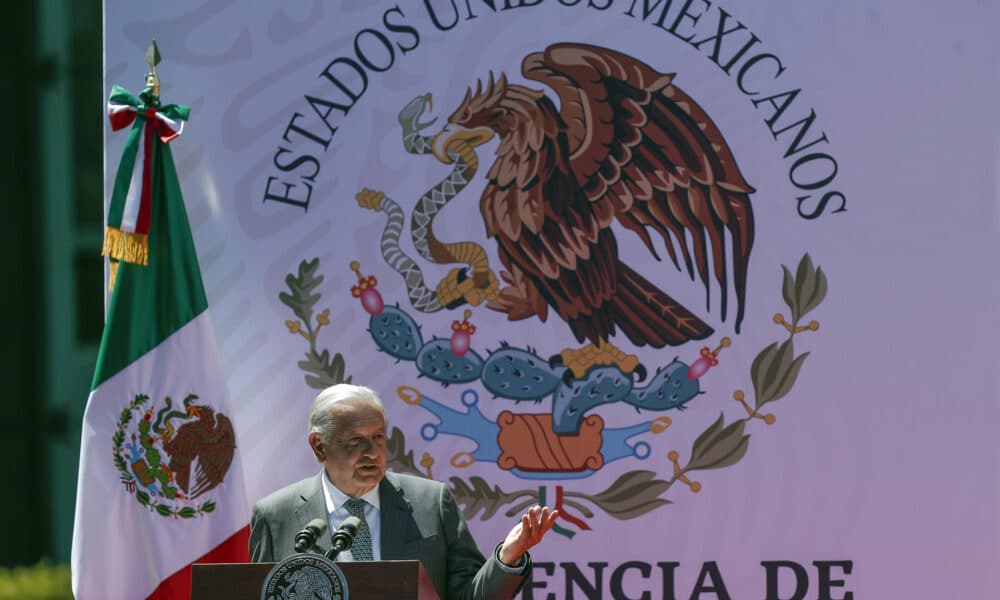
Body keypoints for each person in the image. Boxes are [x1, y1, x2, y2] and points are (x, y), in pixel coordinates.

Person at [250, 383, 559, 599]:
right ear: (319, 446)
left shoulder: (430, 502)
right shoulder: (276, 515)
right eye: (355, 441)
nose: (372, 452)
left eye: (379, 437)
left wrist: (507, 556)